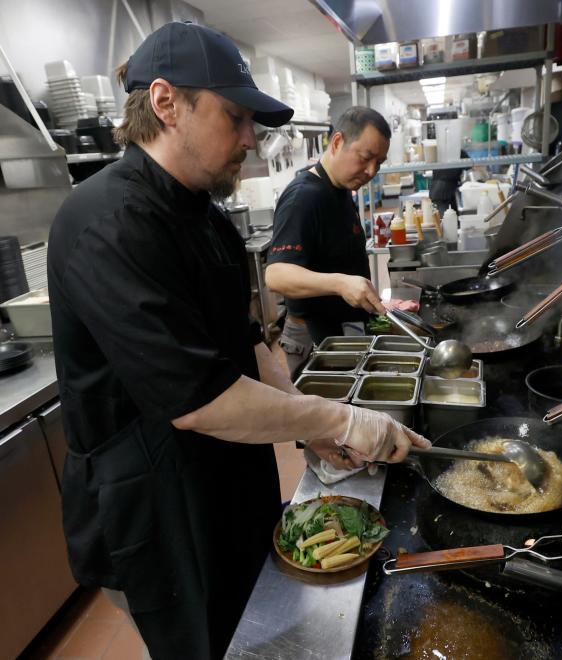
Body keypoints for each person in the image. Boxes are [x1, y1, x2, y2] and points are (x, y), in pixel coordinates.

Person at [46, 22, 429, 660]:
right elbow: (199, 400)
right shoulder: (105, 223)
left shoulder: (208, 219)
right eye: (236, 116)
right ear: (166, 103)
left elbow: (250, 343)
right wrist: (341, 415)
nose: (251, 140)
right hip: (158, 514)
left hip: (226, 486)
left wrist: (311, 430)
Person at [265, 107, 391, 375]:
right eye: (366, 158)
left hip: (344, 332)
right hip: (313, 340)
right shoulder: (304, 198)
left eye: (379, 163)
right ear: (337, 142)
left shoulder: (342, 189)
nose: (371, 171)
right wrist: (341, 283)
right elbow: (276, 275)